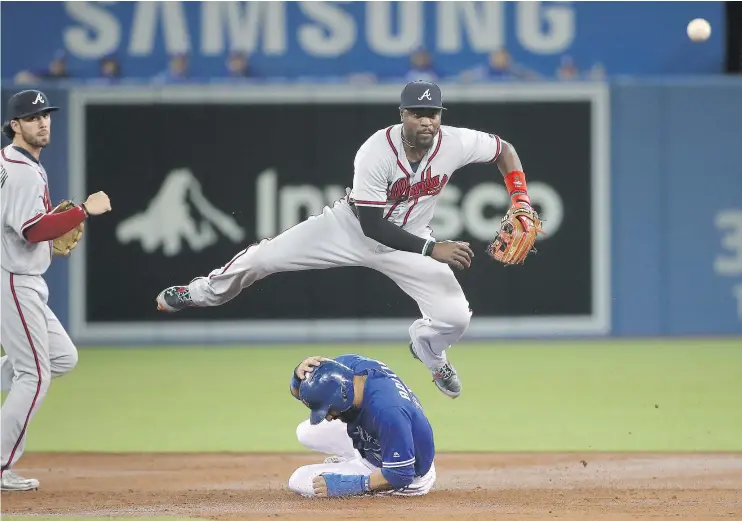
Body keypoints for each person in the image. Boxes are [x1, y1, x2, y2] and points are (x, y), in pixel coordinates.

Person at [156, 80, 537, 399]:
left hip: (410, 240)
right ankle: (199, 293)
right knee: (263, 259)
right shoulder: (375, 151)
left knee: (455, 318)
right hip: (350, 228)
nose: (426, 121)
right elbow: (372, 225)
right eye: (417, 113)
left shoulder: (454, 142)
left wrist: (520, 198)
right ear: (401, 115)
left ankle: (429, 352)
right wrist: (431, 249)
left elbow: (504, 151)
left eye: (433, 113)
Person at [0, 90, 112, 491]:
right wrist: (81, 211)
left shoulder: (12, 162)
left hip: (21, 276)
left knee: (61, 357)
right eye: (32, 118)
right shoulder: (22, 170)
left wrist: (51, 233)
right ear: (16, 125)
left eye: (46, 115)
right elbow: (31, 230)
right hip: (15, 280)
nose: (43, 122)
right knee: (34, 375)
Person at [286, 355, 436, 498]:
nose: (328, 417)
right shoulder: (347, 370)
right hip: (381, 439)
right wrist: (298, 377)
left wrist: (350, 485)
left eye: (329, 410)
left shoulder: (387, 411)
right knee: (305, 432)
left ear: (343, 396)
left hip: (405, 474)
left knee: (298, 479)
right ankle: (352, 463)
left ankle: (358, 470)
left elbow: (401, 474)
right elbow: (313, 393)